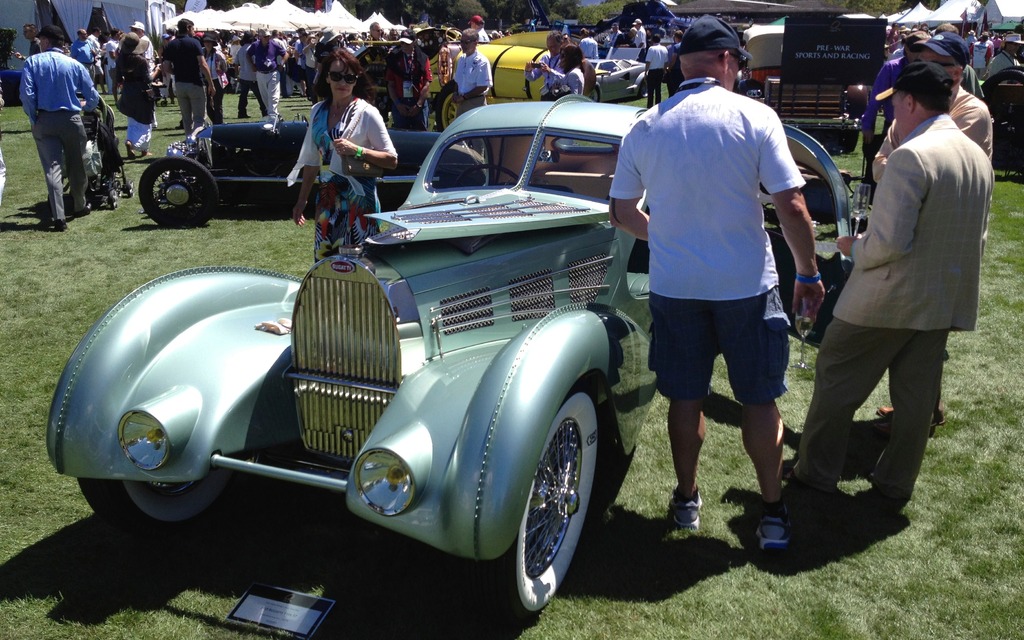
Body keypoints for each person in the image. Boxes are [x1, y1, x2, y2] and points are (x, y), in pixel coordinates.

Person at [608, 15, 824, 551]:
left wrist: (664, 235)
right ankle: (772, 509)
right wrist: (809, 272)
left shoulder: (647, 124)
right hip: (745, 284)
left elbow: (619, 211)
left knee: (685, 398)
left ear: (682, 64)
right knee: (759, 401)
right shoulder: (755, 116)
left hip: (677, 284)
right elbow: (792, 206)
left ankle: (686, 499)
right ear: (728, 61)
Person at [790, 61, 993, 501]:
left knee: (836, 376)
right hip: (941, 296)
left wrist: (852, 248)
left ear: (910, 101)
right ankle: (896, 481)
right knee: (917, 397)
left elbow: (888, 244)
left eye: (895, 104)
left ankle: (817, 471)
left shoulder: (911, 156)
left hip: (887, 297)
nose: (891, 115)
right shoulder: (977, 155)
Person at [290, 49, 397, 261]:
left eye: (349, 77)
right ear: (327, 77)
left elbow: (391, 159)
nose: (343, 82)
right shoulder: (318, 111)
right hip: (328, 202)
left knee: (361, 270)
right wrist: (301, 200)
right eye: (337, 76)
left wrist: (356, 150)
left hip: (359, 202)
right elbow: (312, 160)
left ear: (356, 80)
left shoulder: (367, 113)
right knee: (326, 265)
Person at [20, 25, 100, 231]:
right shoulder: (74, 64)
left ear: (45, 41)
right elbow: (92, 96)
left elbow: (27, 95)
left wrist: (33, 117)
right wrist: (86, 108)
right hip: (71, 119)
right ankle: (80, 205)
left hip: (44, 119)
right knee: (78, 164)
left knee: (52, 169)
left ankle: (59, 216)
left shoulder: (32, 62)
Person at [860, 30, 929, 194]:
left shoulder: (929, 69)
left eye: (923, 50)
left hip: (922, 127)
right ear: (906, 49)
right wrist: (867, 125)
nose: (919, 54)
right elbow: (876, 98)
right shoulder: (892, 68)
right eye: (915, 49)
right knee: (890, 167)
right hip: (894, 126)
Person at [161, 18, 215, 134]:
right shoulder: (194, 42)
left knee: (186, 119)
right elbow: (203, 64)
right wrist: (211, 83)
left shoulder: (171, 44)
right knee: (199, 118)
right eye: (192, 28)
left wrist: (177, 72)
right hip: (195, 83)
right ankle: (197, 142)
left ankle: (189, 142)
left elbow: (166, 67)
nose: (194, 31)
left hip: (179, 84)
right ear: (188, 28)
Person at [116, 32, 158, 158]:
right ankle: (142, 148)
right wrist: (157, 70)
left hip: (128, 90)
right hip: (141, 91)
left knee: (132, 120)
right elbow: (148, 79)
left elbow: (118, 78)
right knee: (146, 121)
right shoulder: (141, 61)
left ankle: (130, 141)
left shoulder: (120, 60)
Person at [386, 30, 432, 130]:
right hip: (400, 103)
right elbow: (390, 84)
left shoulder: (422, 58)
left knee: (421, 138)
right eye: (402, 43)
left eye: (407, 43)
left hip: (418, 103)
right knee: (402, 139)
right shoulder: (393, 58)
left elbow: (427, 84)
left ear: (414, 42)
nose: (404, 46)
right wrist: (398, 104)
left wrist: (419, 105)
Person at [250, 28, 288, 125]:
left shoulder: (274, 44)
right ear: (260, 37)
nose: (267, 38)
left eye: (268, 36)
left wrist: (281, 64)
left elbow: (286, 54)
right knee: (265, 98)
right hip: (260, 73)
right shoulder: (255, 45)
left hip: (272, 73)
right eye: (265, 36)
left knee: (273, 96)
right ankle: (275, 116)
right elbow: (248, 54)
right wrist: (252, 65)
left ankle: (272, 118)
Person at [452, 29, 492, 117]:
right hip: (461, 103)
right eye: (461, 42)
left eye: (466, 42)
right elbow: (457, 81)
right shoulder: (461, 59)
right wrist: (455, 93)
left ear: (475, 43)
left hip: (475, 103)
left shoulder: (482, 61)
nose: (463, 45)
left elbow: (482, 86)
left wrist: (464, 97)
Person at [524, 31, 564, 101]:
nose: (551, 49)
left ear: (561, 43)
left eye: (554, 46)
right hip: (546, 95)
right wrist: (528, 70)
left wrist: (550, 71)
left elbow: (566, 79)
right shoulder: (545, 58)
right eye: (549, 47)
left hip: (560, 95)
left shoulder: (565, 59)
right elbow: (532, 78)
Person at [235, 32, 266, 118]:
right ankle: (264, 111)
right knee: (259, 96)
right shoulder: (252, 49)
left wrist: (237, 75)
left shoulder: (240, 50)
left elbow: (236, 64)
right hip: (253, 76)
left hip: (243, 76)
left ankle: (241, 112)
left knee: (243, 96)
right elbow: (255, 61)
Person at [202, 34, 228, 125]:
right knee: (208, 105)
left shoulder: (218, 54)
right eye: (205, 42)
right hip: (206, 81)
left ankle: (219, 125)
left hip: (217, 80)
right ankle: (216, 122)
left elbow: (225, 67)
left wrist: (220, 68)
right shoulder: (202, 52)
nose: (207, 44)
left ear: (213, 43)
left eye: (209, 42)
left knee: (217, 104)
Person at [644, 34, 669, 108]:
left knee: (650, 90)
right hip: (660, 71)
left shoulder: (651, 48)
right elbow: (666, 62)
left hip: (652, 71)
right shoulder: (664, 48)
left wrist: (646, 72)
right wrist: (664, 70)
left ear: (652, 40)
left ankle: (649, 106)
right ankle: (658, 105)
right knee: (658, 90)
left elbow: (648, 61)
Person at [665, 30, 684, 97]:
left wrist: (669, 68)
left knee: (673, 89)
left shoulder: (676, 47)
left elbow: (673, 60)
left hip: (675, 70)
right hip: (684, 70)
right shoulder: (686, 45)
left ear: (676, 37)